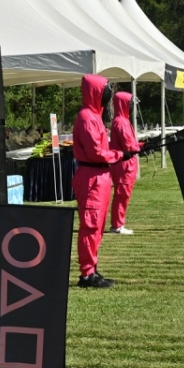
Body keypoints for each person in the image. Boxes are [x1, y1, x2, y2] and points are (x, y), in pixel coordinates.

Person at [72, 75, 140, 288]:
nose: (108, 95)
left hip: (100, 175)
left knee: (98, 226)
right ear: (95, 92)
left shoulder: (94, 116)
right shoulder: (87, 117)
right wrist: (119, 154)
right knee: (91, 225)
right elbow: (96, 152)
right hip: (91, 176)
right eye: (105, 90)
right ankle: (86, 275)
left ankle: (92, 269)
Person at [107, 90, 141, 235]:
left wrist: (142, 145)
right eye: (130, 103)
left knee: (123, 194)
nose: (132, 107)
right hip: (124, 164)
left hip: (127, 163)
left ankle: (118, 224)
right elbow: (128, 145)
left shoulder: (124, 120)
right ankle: (117, 225)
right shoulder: (121, 122)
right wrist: (138, 148)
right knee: (122, 194)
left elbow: (131, 144)